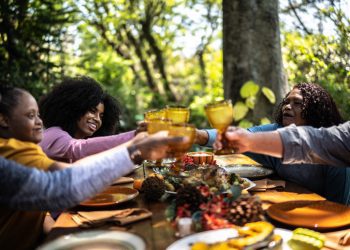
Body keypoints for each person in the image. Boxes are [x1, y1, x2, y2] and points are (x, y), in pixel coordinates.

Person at [0, 85, 187, 249]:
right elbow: (61, 179)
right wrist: (133, 146)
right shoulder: (26, 145)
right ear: (3, 120)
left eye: (38, 115)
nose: (39, 121)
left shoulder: (26, 148)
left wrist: (62, 235)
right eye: (30, 115)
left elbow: (40, 209)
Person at [211, 83, 348, 204]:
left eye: (297, 103)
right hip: (282, 206)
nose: (287, 107)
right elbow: (238, 137)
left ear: (315, 110)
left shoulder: (333, 146)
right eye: (286, 102)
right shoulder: (276, 131)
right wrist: (199, 136)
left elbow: (338, 206)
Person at [38, 76, 144, 163]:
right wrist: (136, 135)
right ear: (74, 108)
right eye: (92, 111)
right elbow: (78, 149)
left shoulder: (79, 142)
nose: (97, 119)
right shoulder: (53, 134)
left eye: (101, 116)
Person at [215, 122, 350, 167]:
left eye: (297, 102)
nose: (288, 106)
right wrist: (250, 141)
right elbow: (314, 142)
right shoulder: (275, 127)